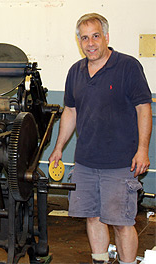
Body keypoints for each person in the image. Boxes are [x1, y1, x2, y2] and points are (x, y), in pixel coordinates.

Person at [49, 13, 152, 264]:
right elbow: (70, 111)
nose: (90, 43)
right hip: (85, 162)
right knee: (92, 217)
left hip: (120, 163)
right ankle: (100, 261)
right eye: (84, 38)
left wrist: (143, 150)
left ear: (106, 36)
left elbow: (144, 108)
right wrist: (58, 148)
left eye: (95, 36)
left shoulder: (127, 66)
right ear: (79, 41)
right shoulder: (75, 71)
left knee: (121, 223)